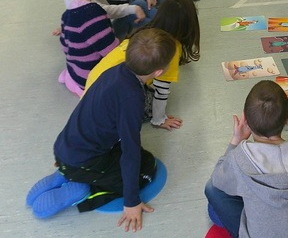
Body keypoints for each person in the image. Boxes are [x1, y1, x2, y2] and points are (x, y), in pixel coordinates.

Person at [26, 28, 176, 232]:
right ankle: (84, 187)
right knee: (147, 168)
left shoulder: (114, 71)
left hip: (65, 146)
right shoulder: (132, 98)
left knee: (133, 156)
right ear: (159, 71)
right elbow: (130, 151)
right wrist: (131, 201)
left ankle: (65, 172)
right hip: (82, 160)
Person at [204, 80, 288, 238]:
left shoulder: (239, 157)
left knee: (211, 189)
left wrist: (235, 141)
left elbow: (218, 179)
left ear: (245, 120)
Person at [85, 0, 200, 130]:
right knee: (150, 102)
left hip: (91, 91)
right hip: (104, 111)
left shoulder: (146, 32)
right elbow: (161, 91)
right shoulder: (170, 48)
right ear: (190, 24)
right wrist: (159, 119)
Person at [58, 0, 119, 97]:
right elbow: (111, 53)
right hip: (90, 80)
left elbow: (65, 47)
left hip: (76, 72)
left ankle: (70, 79)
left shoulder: (67, 13)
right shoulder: (93, 13)